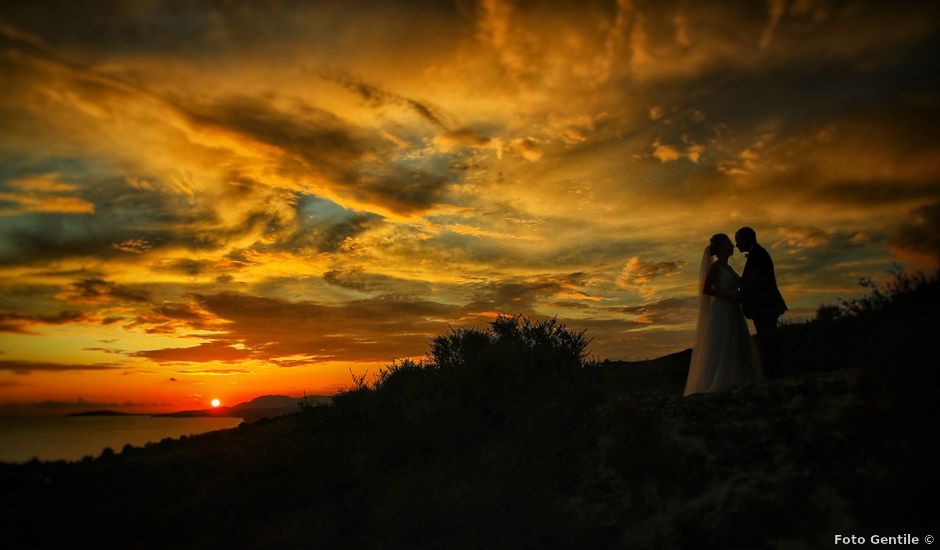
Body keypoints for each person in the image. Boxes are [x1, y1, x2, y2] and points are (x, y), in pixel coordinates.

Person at [684, 233, 762, 396]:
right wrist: (728, 295)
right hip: (722, 309)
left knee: (735, 341)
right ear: (721, 248)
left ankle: (739, 378)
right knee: (724, 343)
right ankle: (722, 381)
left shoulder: (728, 267)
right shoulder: (716, 267)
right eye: (728, 244)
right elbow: (706, 289)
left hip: (733, 308)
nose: (732, 246)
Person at [734, 227, 787, 377]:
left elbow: (758, 283)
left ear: (745, 239)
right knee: (768, 342)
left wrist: (744, 295)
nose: (736, 245)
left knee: (769, 342)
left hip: (764, 307)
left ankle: (775, 374)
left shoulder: (758, 255)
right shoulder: (757, 253)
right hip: (764, 306)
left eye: (738, 241)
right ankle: (774, 373)